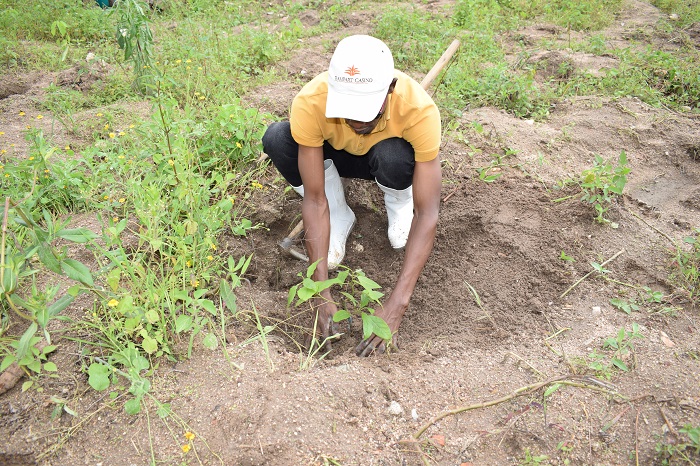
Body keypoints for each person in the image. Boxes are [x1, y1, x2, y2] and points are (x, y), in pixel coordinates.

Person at [262, 35, 441, 356]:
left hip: (386, 159)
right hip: (334, 154)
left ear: (390, 89)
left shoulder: (418, 110)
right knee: (278, 138)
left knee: (394, 156)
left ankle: (398, 204)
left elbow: (428, 213)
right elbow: (313, 200)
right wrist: (320, 291)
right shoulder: (312, 100)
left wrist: (397, 305)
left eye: (366, 110)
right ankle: (339, 213)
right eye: (349, 109)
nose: (357, 121)